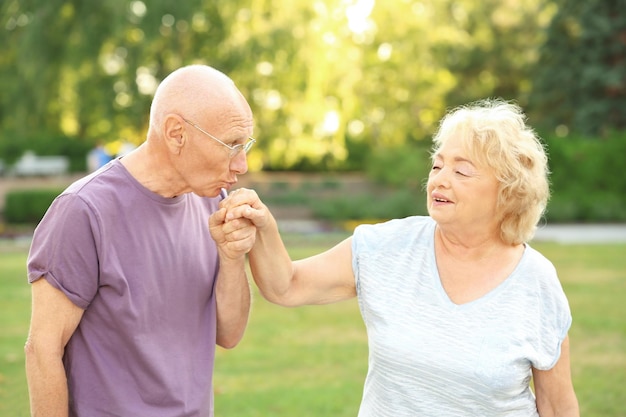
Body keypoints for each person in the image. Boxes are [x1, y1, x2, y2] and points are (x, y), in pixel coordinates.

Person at [218, 99, 580, 416]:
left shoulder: (536, 282)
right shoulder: (388, 247)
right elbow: (287, 285)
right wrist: (263, 227)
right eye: (437, 166)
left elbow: (557, 407)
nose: (440, 179)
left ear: (507, 192)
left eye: (462, 170)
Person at [24, 65, 258, 417]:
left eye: (246, 145)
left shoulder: (213, 200)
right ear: (176, 133)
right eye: (232, 145)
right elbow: (42, 349)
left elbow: (229, 334)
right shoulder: (84, 211)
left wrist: (231, 256)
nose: (242, 164)